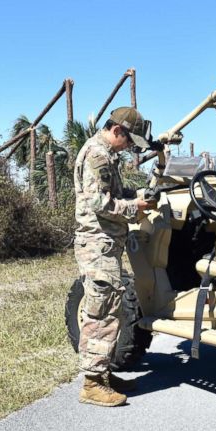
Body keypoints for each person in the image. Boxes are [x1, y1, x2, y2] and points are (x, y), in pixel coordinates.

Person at [73, 106, 155, 407]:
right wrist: (136, 208)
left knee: (111, 306)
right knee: (102, 309)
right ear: (118, 130)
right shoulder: (97, 154)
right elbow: (99, 202)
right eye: (130, 140)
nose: (131, 147)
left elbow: (113, 191)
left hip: (106, 242)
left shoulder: (106, 154)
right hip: (98, 242)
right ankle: (92, 384)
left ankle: (103, 374)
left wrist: (137, 195)